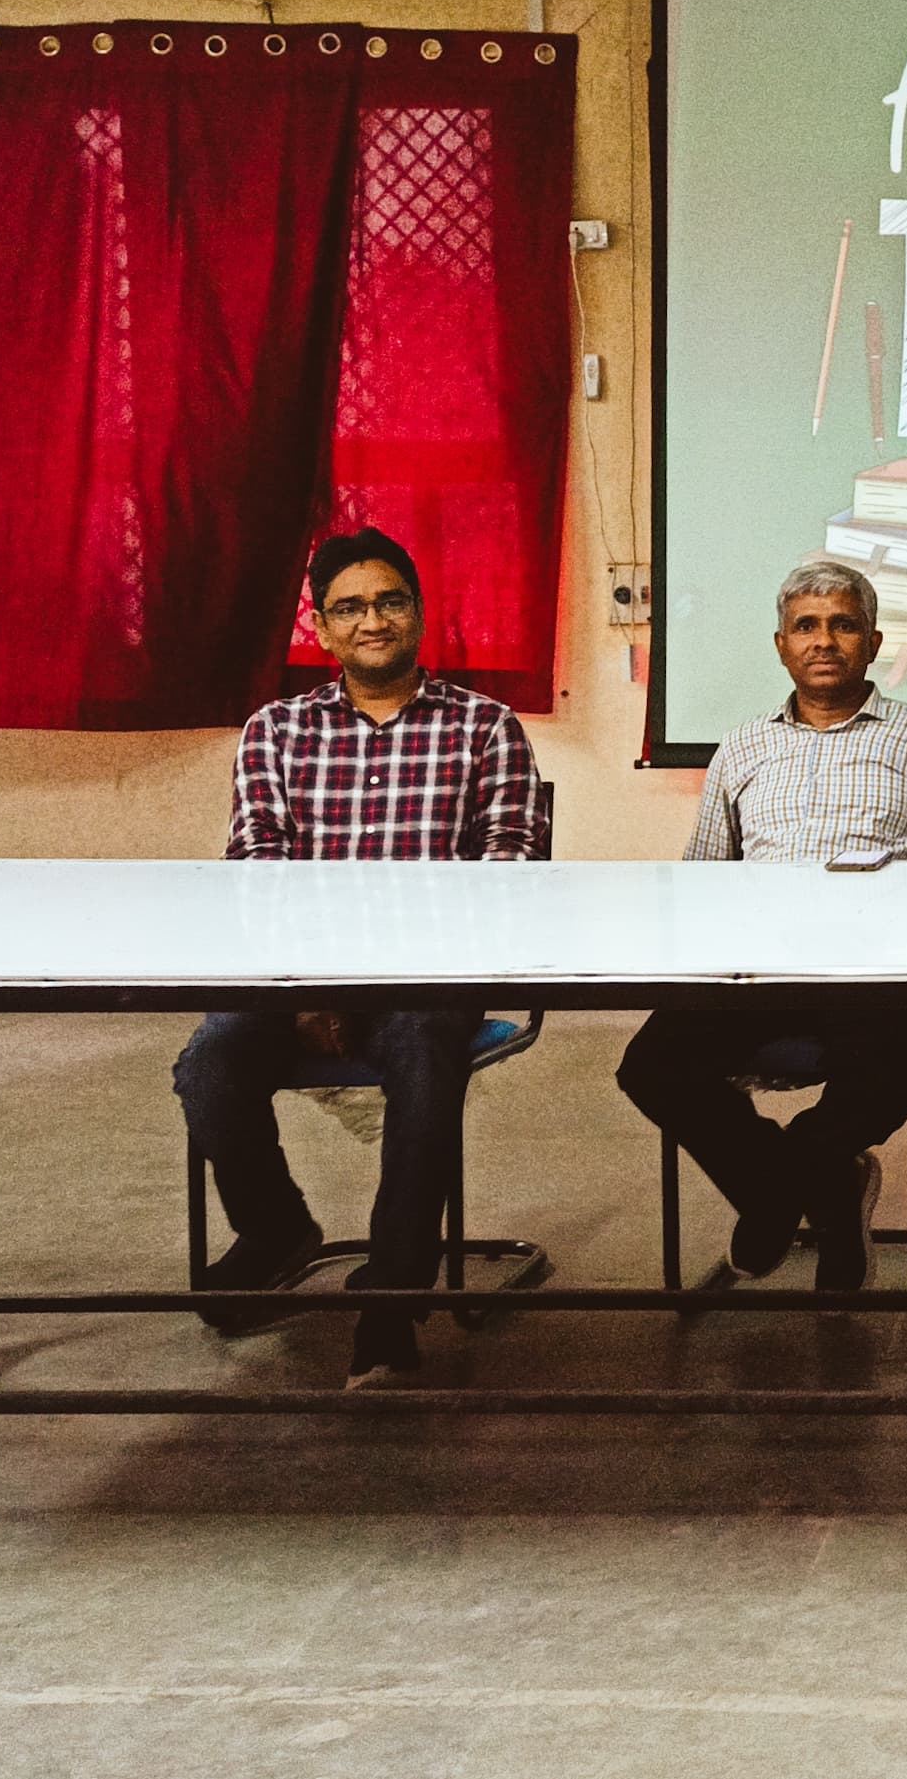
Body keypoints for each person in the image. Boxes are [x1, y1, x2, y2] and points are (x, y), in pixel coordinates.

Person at [173, 526, 547, 1386]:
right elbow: (258, 867)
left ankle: (391, 1298)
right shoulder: (276, 729)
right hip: (302, 972)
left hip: (430, 973)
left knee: (424, 1046)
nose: (371, 620)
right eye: (349, 607)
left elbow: (509, 872)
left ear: (418, 612)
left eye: (389, 601)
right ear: (322, 627)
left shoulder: (485, 726)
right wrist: (310, 988)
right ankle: (276, 1229)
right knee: (211, 1059)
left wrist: (392, 970)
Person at [613, 559, 907, 1289]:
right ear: (782, 646)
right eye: (806, 626)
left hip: (883, 967)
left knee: (891, 1069)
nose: (824, 640)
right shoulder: (742, 746)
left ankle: (786, 1185)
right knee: (650, 1065)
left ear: (873, 642)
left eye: (843, 625)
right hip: (760, 965)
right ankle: (826, 1186)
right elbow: (703, 879)